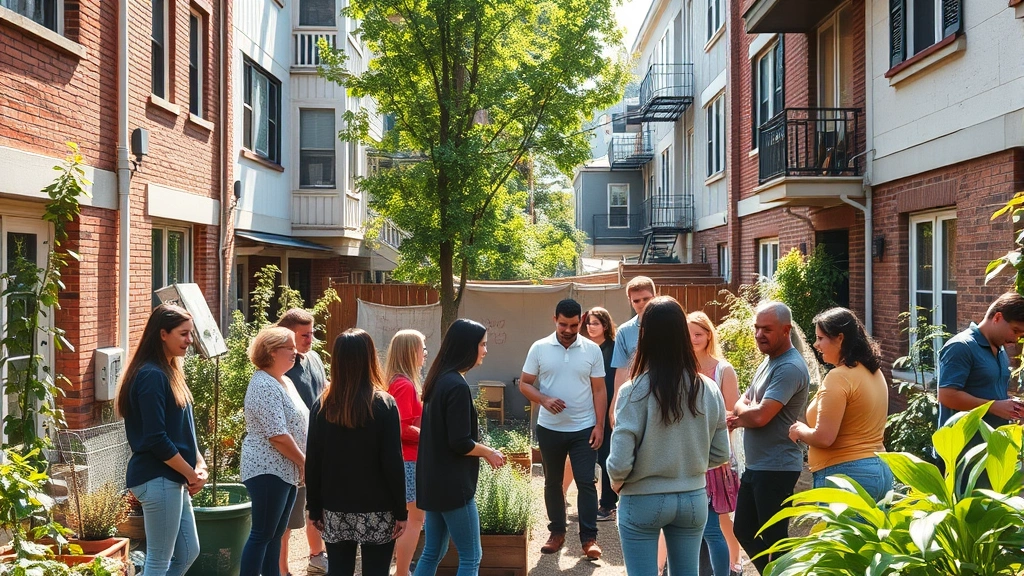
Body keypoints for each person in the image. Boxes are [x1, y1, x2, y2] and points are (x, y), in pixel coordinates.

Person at [607, 296, 730, 576]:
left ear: (644, 335)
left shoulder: (633, 390)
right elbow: (722, 454)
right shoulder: (709, 388)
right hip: (693, 498)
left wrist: (617, 483)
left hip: (641, 497)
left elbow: (620, 460)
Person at [305, 329, 407, 576]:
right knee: (376, 571)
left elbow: (314, 462)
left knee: (339, 570)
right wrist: (401, 511)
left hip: (335, 506)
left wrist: (314, 508)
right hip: (378, 506)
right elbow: (393, 462)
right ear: (370, 358)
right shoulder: (384, 404)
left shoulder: (322, 405)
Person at [117, 304, 205, 576]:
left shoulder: (171, 372)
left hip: (174, 477)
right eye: (184, 334)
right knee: (158, 559)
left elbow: (185, 429)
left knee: (188, 552)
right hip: (157, 477)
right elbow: (157, 439)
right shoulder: (151, 376)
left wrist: (199, 465)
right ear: (162, 334)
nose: (190, 340)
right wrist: (191, 474)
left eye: (191, 334)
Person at [413, 319, 506, 576]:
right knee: (471, 556)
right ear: (468, 347)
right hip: (453, 487)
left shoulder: (439, 380)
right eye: (482, 345)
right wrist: (489, 452)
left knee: (433, 552)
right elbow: (460, 442)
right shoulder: (456, 385)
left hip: (434, 483)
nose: (486, 350)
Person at [519, 298, 607, 559]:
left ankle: (589, 539)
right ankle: (556, 533)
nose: (568, 330)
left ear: (580, 320)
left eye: (573, 324)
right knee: (553, 482)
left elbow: (599, 389)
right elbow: (524, 384)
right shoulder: (539, 348)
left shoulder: (592, 350)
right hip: (550, 428)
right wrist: (544, 399)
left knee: (586, 482)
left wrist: (600, 425)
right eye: (562, 324)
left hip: (584, 427)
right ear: (554, 319)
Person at [727, 302, 809, 574]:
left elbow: (761, 416)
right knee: (744, 528)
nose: (760, 334)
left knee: (775, 538)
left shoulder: (789, 367)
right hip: (759, 465)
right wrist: (745, 410)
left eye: (767, 329)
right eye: (757, 328)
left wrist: (743, 414)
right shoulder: (769, 361)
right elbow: (742, 401)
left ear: (786, 330)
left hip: (777, 466)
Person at [787, 307, 893, 502]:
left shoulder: (839, 377)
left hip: (847, 477)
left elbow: (824, 437)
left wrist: (799, 430)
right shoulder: (874, 372)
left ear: (840, 338)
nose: (815, 344)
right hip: (880, 471)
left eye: (821, 338)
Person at [240, 326, 310, 576]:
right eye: (289, 348)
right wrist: (305, 463)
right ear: (271, 352)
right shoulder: (263, 384)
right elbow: (277, 435)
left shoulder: (285, 381)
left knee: (274, 535)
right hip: (267, 470)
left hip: (286, 470)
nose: (295, 352)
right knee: (262, 534)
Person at [276, 309, 330, 576]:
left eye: (312, 333)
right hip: (292, 452)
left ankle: (317, 556)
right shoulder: (281, 367)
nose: (310, 339)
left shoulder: (316, 358)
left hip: (319, 446)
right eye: (304, 335)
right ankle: (282, 569)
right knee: (286, 517)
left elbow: (324, 388)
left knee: (317, 506)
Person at [688, 311, 741, 576]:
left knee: (713, 526)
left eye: (698, 334)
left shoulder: (723, 369)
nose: (693, 339)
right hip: (687, 458)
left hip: (715, 458)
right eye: (688, 335)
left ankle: (730, 567)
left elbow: (733, 414)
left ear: (709, 335)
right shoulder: (680, 368)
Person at [937, 292, 1024, 437]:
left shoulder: (1000, 349)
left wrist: (1011, 405)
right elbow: (946, 396)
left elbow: (987, 391)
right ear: (997, 317)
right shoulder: (961, 346)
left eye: (1020, 335)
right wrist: (992, 406)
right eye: (1015, 331)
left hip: (990, 446)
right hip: (962, 451)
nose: (1015, 339)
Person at [383, 329, 428, 576]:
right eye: (422, 348)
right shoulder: (403, 383)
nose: (425, 354)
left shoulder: (399, 381)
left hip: (406, 459)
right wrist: (429, 436)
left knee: (410, 520)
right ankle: (402, 571)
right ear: (412, 352)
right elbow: (399, 426)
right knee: (414, 521)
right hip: (408, 460)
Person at [583, 307, 619, 523]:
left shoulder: (614, 349)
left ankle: (608, 504)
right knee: (588, 456)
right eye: (588, 323)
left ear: (605, 325)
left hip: (608, 409)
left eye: (595, 322)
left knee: (607, 456)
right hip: (585, 409)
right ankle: (592, 503)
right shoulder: (584, 349)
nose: (590, 326)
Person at [609, 276, 657, 423]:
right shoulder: (624, 331)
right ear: (630, 302)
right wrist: (615, 405)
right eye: (636, 300)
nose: (642, 304)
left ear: (655, 296)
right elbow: (622, 370)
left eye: (646, 299)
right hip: (637, 396)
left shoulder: (672, 325)